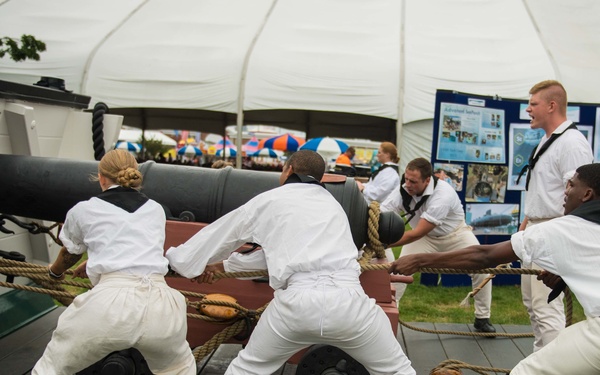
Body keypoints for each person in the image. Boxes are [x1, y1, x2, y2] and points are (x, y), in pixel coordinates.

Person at [166, 150, 415, 375]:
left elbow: (222, 234)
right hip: (349, 304)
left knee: (247, 369)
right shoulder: (334, 207)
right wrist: (222, 268)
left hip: (297, 306)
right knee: (398, 370)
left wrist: (183, 263)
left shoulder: (269, 200)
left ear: (289, 169)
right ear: (321, 177)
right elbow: (280, 253)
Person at [389, 163, 600, 374]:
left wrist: (419, 262)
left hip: (454, 235)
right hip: (429, 238)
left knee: (525, 371)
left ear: (587, 194)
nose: (565, 190)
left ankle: (483, 317)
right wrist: (563, 273)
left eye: (571, 185)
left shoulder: (563, 229)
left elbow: (484, 256)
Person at [33, 150, 196, 375]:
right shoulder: (156, 209)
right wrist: (97, 263)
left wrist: (54, 273)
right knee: (180, 368)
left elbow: (70, 254)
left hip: (110, 306)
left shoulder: (83, 210)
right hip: (162, 306)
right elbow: (133, 248)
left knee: (51, 368)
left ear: (101, 178)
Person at [518, 80, 593, 351]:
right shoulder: (546, 142)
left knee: (546, 307)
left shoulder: (571, 143)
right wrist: (524, 231)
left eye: (533, 104)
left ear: (551, 106)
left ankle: (551, 366)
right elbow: (541, 195)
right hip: (537, 230)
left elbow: (580, 199)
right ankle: (540, 361)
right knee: (534, 305)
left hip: (553, 231)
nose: (528, 109)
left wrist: (561, 242)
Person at [381, 157, 496, 334]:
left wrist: (385, 243)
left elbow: (417, 232)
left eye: (413, 181)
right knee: (398, 271)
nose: (407, 184)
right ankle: (387, 317)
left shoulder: (443, 194)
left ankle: (482, 318)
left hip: (455, 235)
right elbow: (383, 213)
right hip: (425, 238)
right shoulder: (403, 190)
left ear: (427, 180)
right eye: (406, 179)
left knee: (483, 269)